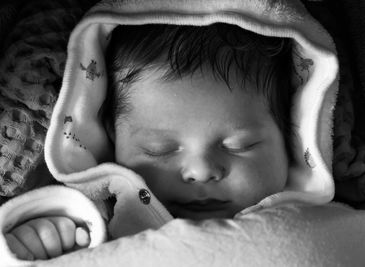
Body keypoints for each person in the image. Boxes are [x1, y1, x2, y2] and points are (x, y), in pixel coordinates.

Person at [5, 23, 296, 260]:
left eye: (239, 145)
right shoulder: (89, 225)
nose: (200, 171)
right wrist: (36, 243)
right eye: (161, 149)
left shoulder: (310, 215)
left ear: (290, 134)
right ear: (113, 139)